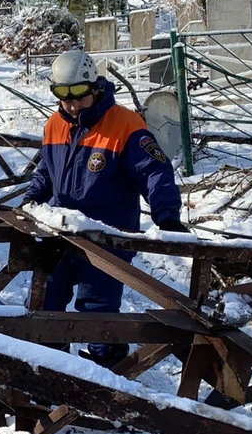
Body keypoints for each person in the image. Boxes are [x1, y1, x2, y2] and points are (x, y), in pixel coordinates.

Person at [23, 49, 188, 369]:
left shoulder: (125, 125)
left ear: (95, 87)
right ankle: (49, 367)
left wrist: (166, 214)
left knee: (97, 310)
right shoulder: (54, 123)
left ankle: (106, 375)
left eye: (78, 96)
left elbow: (154, 171)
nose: (71, 104)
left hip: (107, 236)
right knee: (46, 301)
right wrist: (32, 200)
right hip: (60, 231)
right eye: (62, 96)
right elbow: (46, 169)